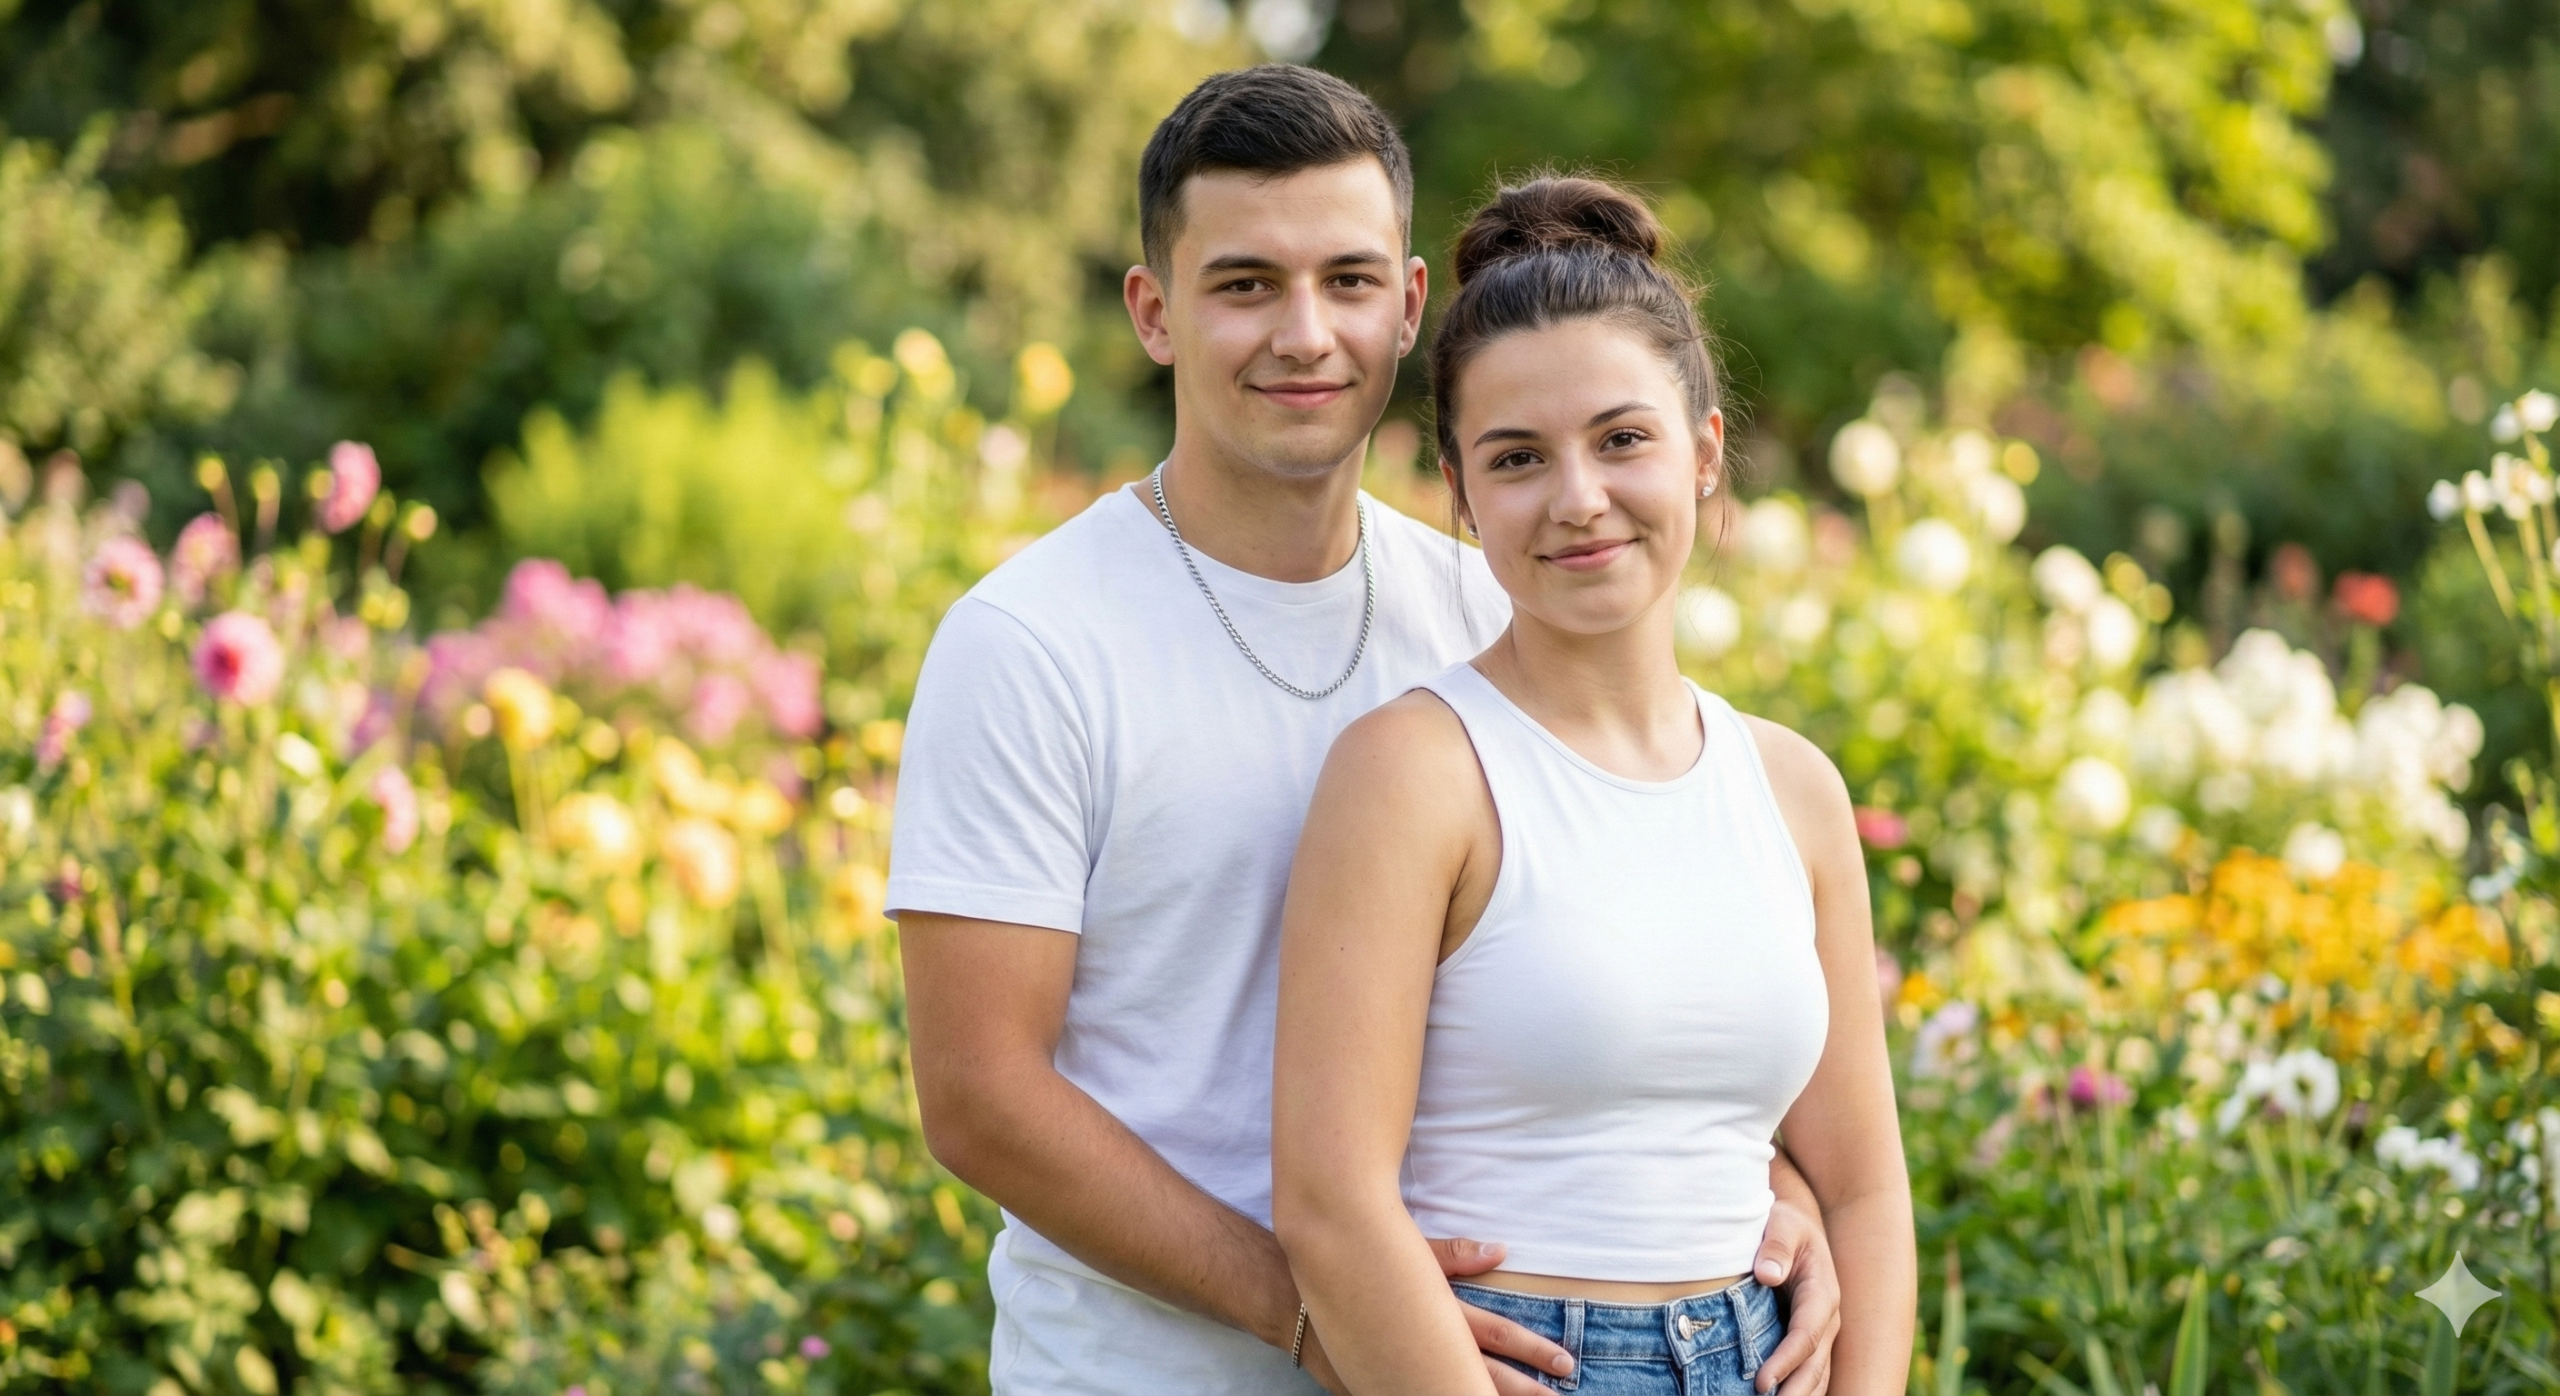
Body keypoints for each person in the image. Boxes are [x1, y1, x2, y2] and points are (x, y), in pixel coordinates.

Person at [889, 66, 1845, 1395]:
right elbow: (984, 1094)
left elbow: (1636, 966)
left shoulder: (1492, 605)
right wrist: (1322, 1312)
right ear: (1153, 312)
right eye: (1244, 286)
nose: (1303, 334)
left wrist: (1764, 1182)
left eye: (1345, 282)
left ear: (1406, 306)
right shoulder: (1034, 643)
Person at [1271, 175, 1917, 1396]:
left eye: (1623, 439)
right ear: (1460, 496)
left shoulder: (1791, 788)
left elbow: (1866, 1187)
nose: (1578, 499)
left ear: (1705, 453)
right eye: (1516, 459)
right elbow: (1329, 1200)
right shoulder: (1415, 773)